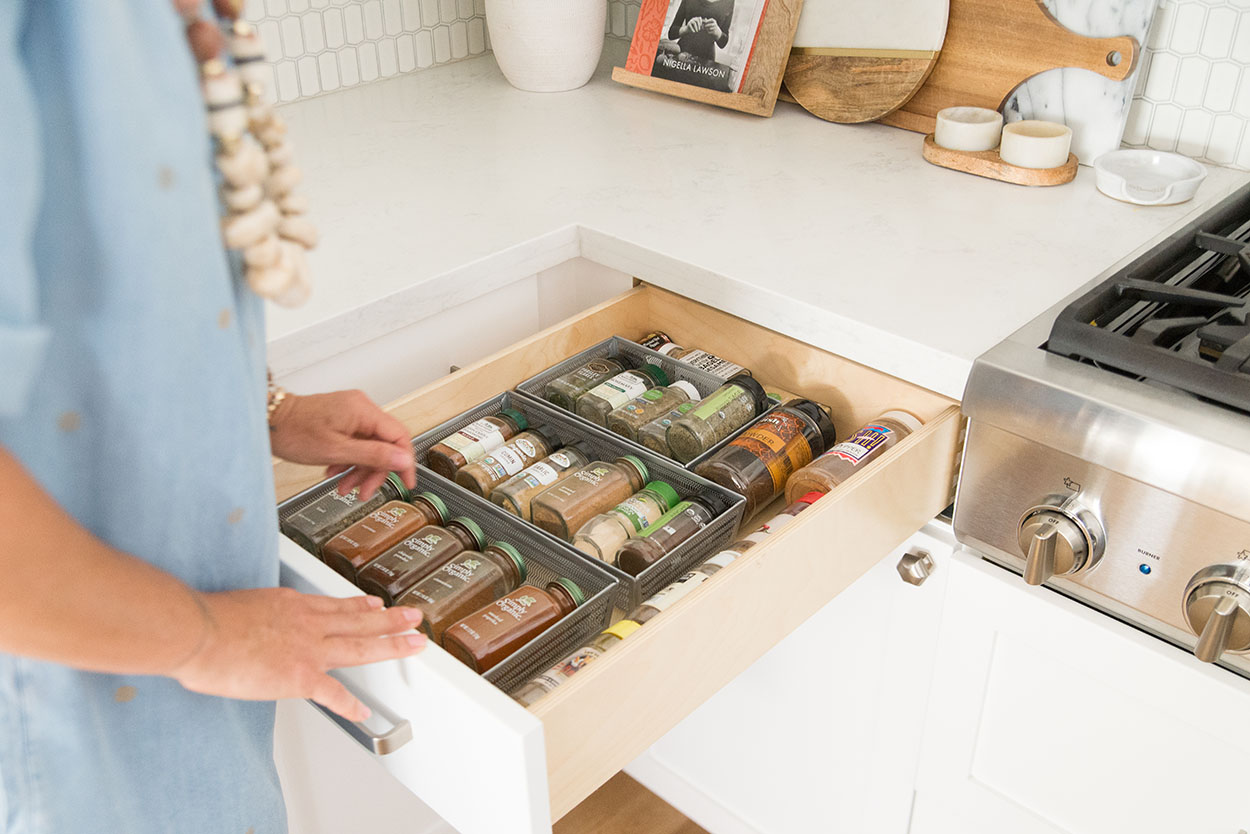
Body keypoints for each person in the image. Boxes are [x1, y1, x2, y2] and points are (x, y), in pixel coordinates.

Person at [0, 1, 427, 831]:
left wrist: (268, 406)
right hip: (81, 725)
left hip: (197, 675)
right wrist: (206, 638)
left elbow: (117, 271)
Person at [666, 0, 735, 64]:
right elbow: (671, 34)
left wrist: (718, 33)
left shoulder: (729, 2)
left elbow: (723, 43)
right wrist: (686, 29)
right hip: (682, 54)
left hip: (706, 59)